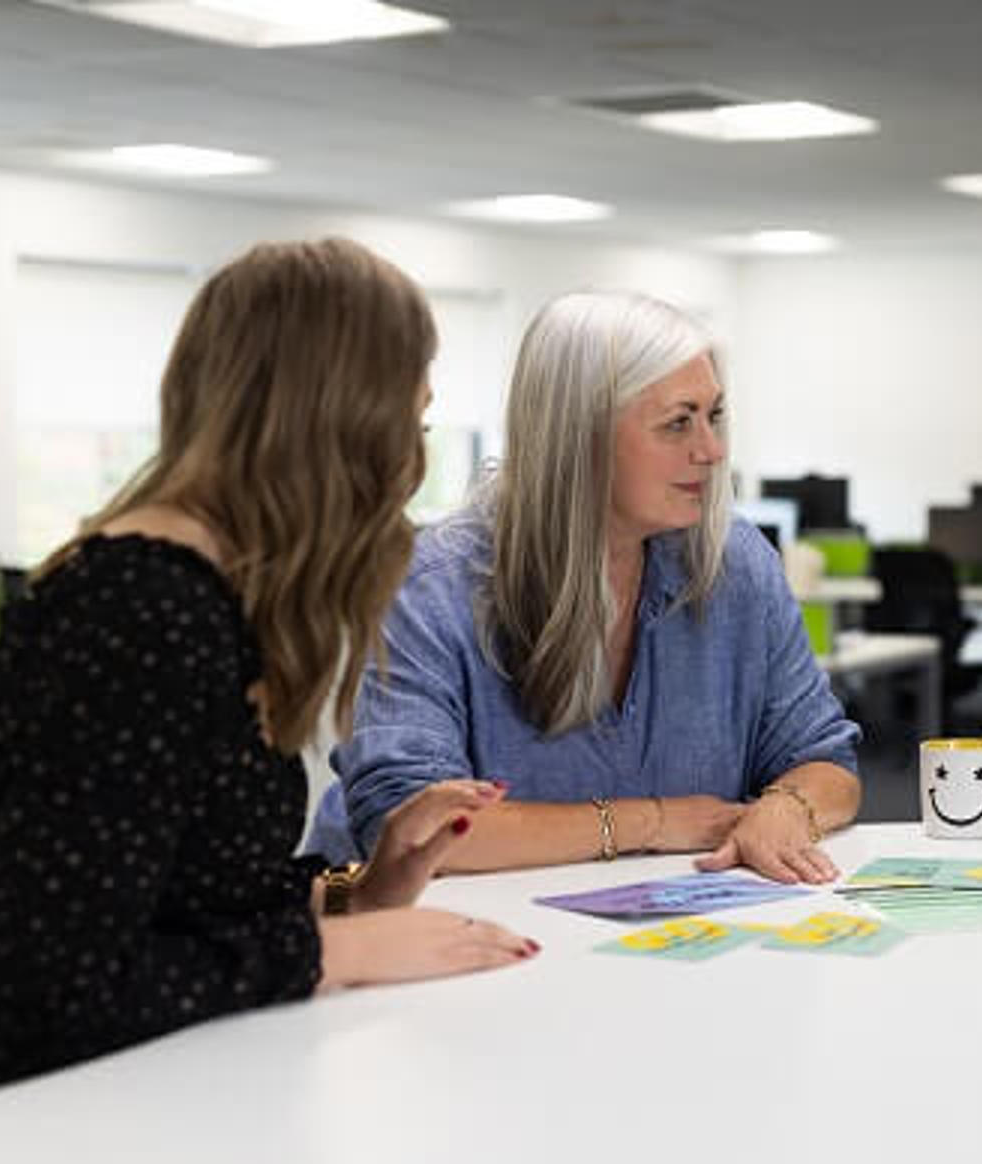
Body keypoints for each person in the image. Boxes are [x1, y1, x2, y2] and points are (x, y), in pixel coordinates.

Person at [0, 238, 537, 1111]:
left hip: (146, 1107)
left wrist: (361, 892)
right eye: (412, 426)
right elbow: (49, 987)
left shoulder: (211, 598)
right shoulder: (136, 609)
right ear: (341, 424)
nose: (413, 466)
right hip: (17, 1133)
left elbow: (180, 895)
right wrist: (336, 954)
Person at [330, 290, 860, 885]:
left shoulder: (736, 566)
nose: (711, 451)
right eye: (677, 422)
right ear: (578, 435)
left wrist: (788, 807)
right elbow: (411, 828)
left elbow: (826, 761)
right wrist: (652, 823)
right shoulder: (432, 588)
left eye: (713, 417)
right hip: (448, 947)